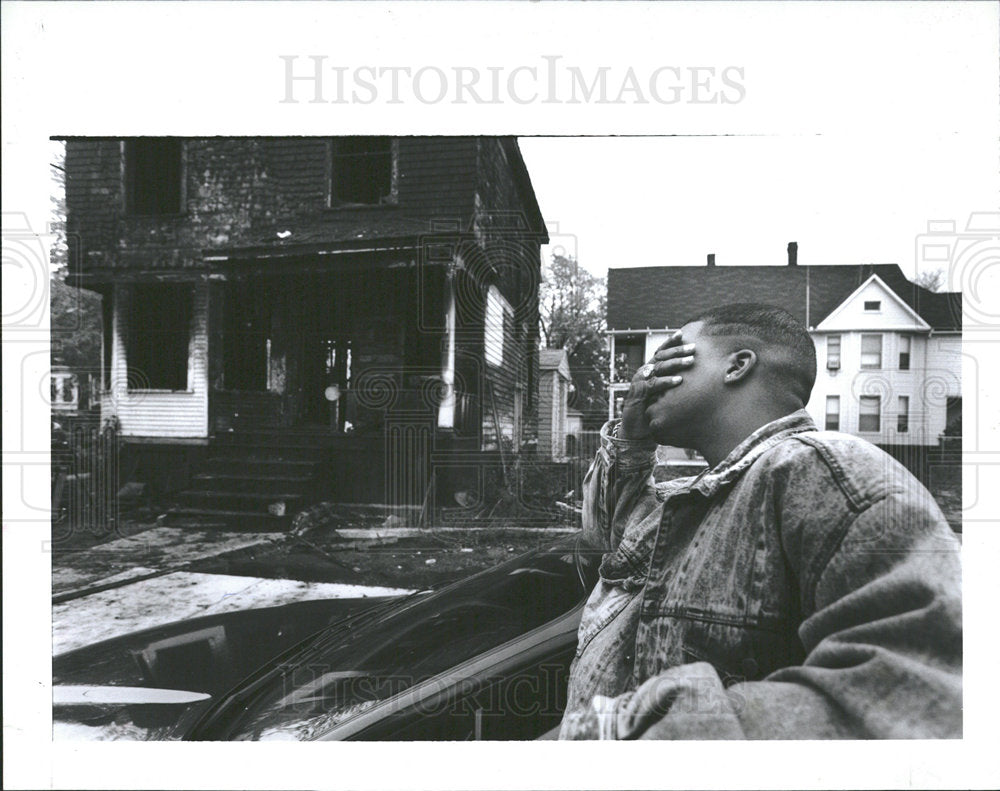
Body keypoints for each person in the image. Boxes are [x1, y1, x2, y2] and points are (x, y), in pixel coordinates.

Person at [558, 303, 962, 739]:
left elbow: (916, 695)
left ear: (737, 365)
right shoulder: (706, 495)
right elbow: (609, 540)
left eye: (670, 358)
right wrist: (632, 432)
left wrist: (614, 737)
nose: (648, 378)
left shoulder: (825, 470)